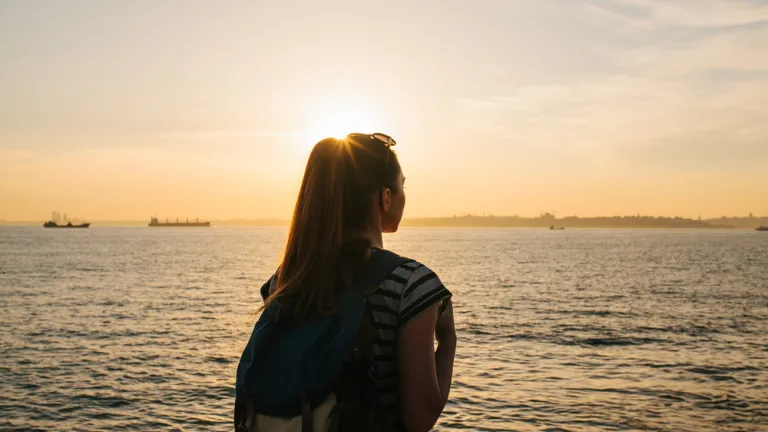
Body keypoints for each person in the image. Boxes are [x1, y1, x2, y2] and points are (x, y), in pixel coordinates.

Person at [235, 133, 456, 432]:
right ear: (385, 197)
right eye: (402, 186)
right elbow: (420, 419)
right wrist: (448, 339)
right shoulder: (412, 284)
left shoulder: (287, 278)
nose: (404, 195)